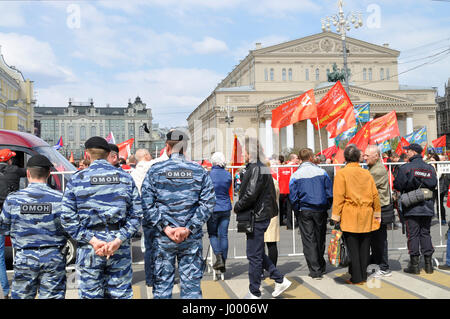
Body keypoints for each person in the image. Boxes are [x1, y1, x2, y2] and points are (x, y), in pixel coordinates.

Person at [60, 137, 143, 299]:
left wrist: (93, 240)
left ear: (87, 154)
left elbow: (67, 218)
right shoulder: (125, 178)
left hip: (90, 248)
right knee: (120, 295)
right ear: (108, 154)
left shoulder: (77, 179)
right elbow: (137, 215)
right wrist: (118, 239)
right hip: (119, 246)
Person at [140, 130, 215, 299]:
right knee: (192, 288)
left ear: (167, 146)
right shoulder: (198, 170)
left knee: (162, 288)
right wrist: (189, 228)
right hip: (190, 239)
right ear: (185, 148)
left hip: (164, 239)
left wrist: (165, 228)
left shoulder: (155, 170)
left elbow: (146, 203)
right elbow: (208, 203)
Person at [0, 155, 67, 299]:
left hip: (24, 258)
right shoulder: (60, 198)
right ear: (49, 173)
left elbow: (4, 228)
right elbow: (69, 228)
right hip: (53, 258)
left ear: (28, 173)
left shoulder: (13, 199)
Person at [234, 137, 291, 299]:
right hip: (261, 214)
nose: (242, 154)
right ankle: (279, 279)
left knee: (253, 255)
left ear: (249, 152)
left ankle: (254, 292)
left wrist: (237, 207)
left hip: (257, 216)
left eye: (243, 151)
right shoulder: (260, 167)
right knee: (256, 253)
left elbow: (251, 194)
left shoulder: (257, 168)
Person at [331, 144, 381, 285]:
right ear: (359, 158)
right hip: (366, 213)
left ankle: (356, 277)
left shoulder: (341, 173)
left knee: (352, 247)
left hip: (350, 213)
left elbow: (339, 197)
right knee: (365, 246)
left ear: (345, 158)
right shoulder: (366, 173)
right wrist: (377, 213)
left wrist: (335, 216)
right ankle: (363, 276)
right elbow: (375, 195)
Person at [289, 148, 333, 280]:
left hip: (305, 209)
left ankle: (315, 270)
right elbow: (329, 193)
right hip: (320, 209)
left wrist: (297, 210)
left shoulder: (296, 175)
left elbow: (293, 196)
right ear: (312, 157)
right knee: (320, 237)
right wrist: (326, 206)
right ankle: (320, 264)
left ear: (300, 159)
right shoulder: (322, 172)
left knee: (309, 240)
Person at [393, 143, 437, 275]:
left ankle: (415, 265)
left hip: (411, 205)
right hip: (427, 205)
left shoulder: (406, 168)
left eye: (408, 151)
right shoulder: (429, 168)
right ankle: (428, 266)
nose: (406, 153)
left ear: (413, 152)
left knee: (413, 235)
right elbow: (434, 183)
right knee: (425, 233)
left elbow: (398, 185)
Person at [363, 145, 394, 277]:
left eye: (366, 156)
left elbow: (365, 187)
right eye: (364, 155)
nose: (364, 157)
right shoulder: (372, 168)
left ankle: (383, 267)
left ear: (376, 156)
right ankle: (378, 264)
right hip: (377, 208)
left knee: (379, 240)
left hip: (380, 208)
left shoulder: (377, 170)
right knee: (375, 239)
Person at [0, 149, 26, 299]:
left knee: (1, 255)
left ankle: (5, 291)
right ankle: (21, 286)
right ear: (9, 160)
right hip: (14, 215)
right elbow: (30, 170)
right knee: (21, 250)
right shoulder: (15, 170)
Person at [130, 148, 158, 288]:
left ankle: (149, 279)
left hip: (143, 212)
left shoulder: (133, 173)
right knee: (160, 245)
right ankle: (160, 276)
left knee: (148, 247)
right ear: (146, 156)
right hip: (157, 211)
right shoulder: (153, 166)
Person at [207, 152, 232, 274]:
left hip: (213, 208)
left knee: (212, 234)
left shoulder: (209, 175)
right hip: (225, 206)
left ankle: (218, 257)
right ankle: (223, 261)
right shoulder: (228, 175)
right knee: (224, 235)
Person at [264, 163, 280, 270]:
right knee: (272, 244)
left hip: (259, 214)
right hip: (272, 213)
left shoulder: (256, 182)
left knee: (259, 246)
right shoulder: (274, 181)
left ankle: (260, 270)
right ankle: (272, 268)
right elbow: (277, 196)